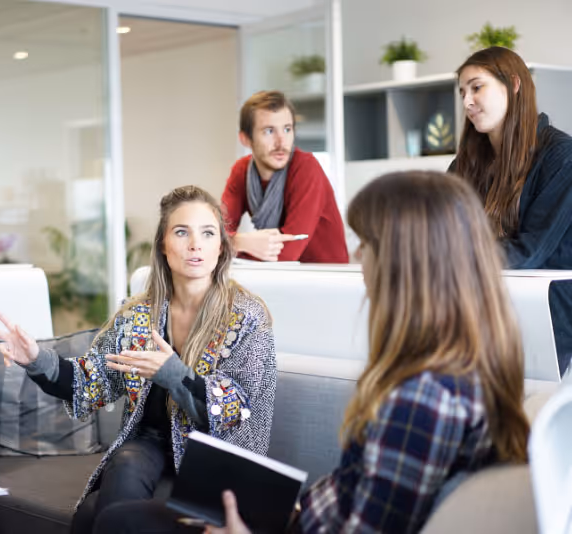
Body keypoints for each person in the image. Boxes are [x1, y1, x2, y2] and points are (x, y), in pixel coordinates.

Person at [203, 171, 529, 533]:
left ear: (402, 264)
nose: (358, 257)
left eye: (367, 244)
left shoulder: (422, 399)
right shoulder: (465, 366)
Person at [0, 185, 277, 533]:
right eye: (182, 232)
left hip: (217, 455)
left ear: (220, 248)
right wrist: (34, 358)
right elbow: (88, 381)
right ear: (164, 247)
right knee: (124, 462)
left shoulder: (247, 316)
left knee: (94, 511)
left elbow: (236, 409)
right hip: (151, 443)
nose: (195, 244)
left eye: (208, 233)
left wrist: (173, 374)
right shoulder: (139, 314)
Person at [451, 46, 572, 375]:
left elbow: (530, 251)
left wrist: (449, 257)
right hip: (481, 310)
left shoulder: (561, 156)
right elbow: (440, 232)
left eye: (477, 87)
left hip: (547, 320)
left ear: (514, 85)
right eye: (463, 92)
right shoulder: (464, 165)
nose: (467, 102)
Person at [220, 90, 348, 263]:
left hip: (326, 280)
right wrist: (239, 241)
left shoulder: (306, 167)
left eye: (287, 129)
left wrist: (231, 245)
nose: (281, 142)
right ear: (246, 139)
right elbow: (214, 234)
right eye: (269, 131)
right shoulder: (241, 171)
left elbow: (287, 253)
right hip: (279, 278)